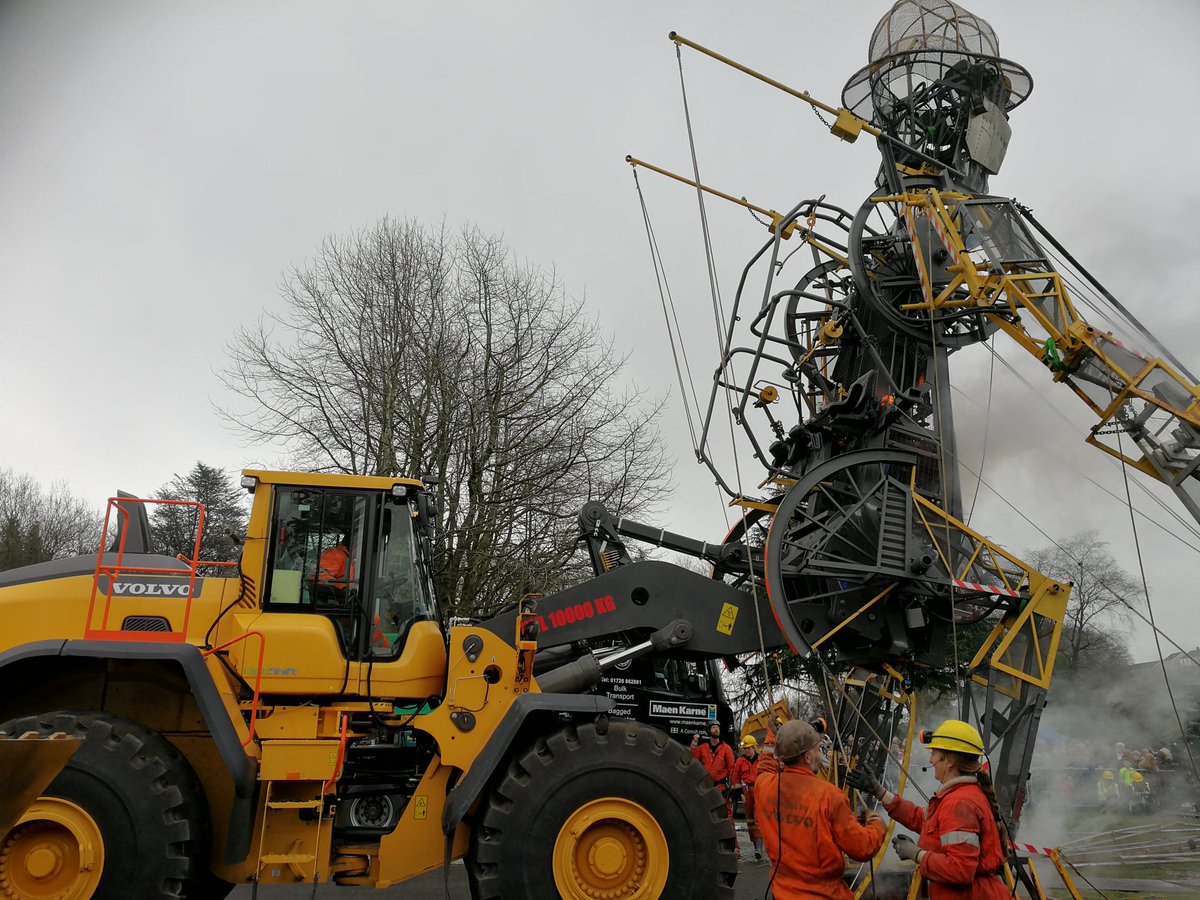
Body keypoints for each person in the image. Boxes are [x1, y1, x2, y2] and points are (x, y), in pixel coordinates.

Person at [848, 719, 1008, 899]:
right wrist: (880, 792)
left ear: (949, 762)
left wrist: (917, 854)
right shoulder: (959, 796)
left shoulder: (959, 803)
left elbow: (960, 870)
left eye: (934, 753)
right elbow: (921, 818)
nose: (931, 759)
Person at [755, 719, 886, 898]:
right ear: (808, 757)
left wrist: (773, 738)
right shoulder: (829, 796)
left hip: (782, 892)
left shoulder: (764, 786)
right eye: (817, 750)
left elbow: (764, 767)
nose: (819, 755)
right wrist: (876, 822)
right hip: (823, 894)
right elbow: (863, 848)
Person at [691, 723, 736, 824]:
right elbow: (693, 759)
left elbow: (732, 768)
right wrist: (694, 742)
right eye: (713, 727)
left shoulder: (726, 748)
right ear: (709, 731)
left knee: (726, 815)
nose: (716, 729)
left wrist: (731, 787)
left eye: (717, 727)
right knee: (706, 813)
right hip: (706, 788)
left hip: (721, 788)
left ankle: (729, 834)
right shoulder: (703, 748)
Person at [732, 735, 767, 864]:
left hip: (759, 789)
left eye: (748, 748)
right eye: (745, 748)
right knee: (750, 821)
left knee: (758, 820)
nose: (746, 750)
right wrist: (739, 793)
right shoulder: (740, 761)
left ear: (754, 747)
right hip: (746, 791)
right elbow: (735, 778)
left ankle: (759, 849)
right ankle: (756, 845)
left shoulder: (762, 760)